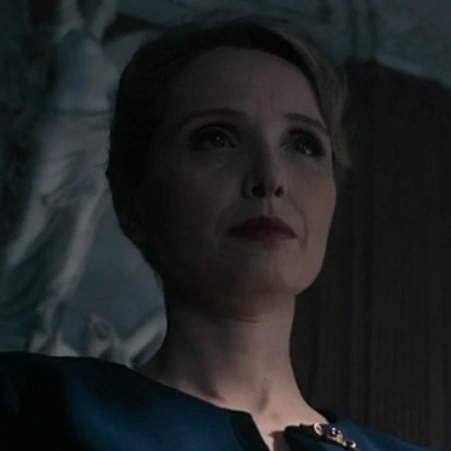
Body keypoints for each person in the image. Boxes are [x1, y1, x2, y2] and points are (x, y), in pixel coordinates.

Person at [0, 13, 438, 451]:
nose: (271, 177)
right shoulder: (38, 408)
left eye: (304, 144)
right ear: (134, 202)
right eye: (216, 138)